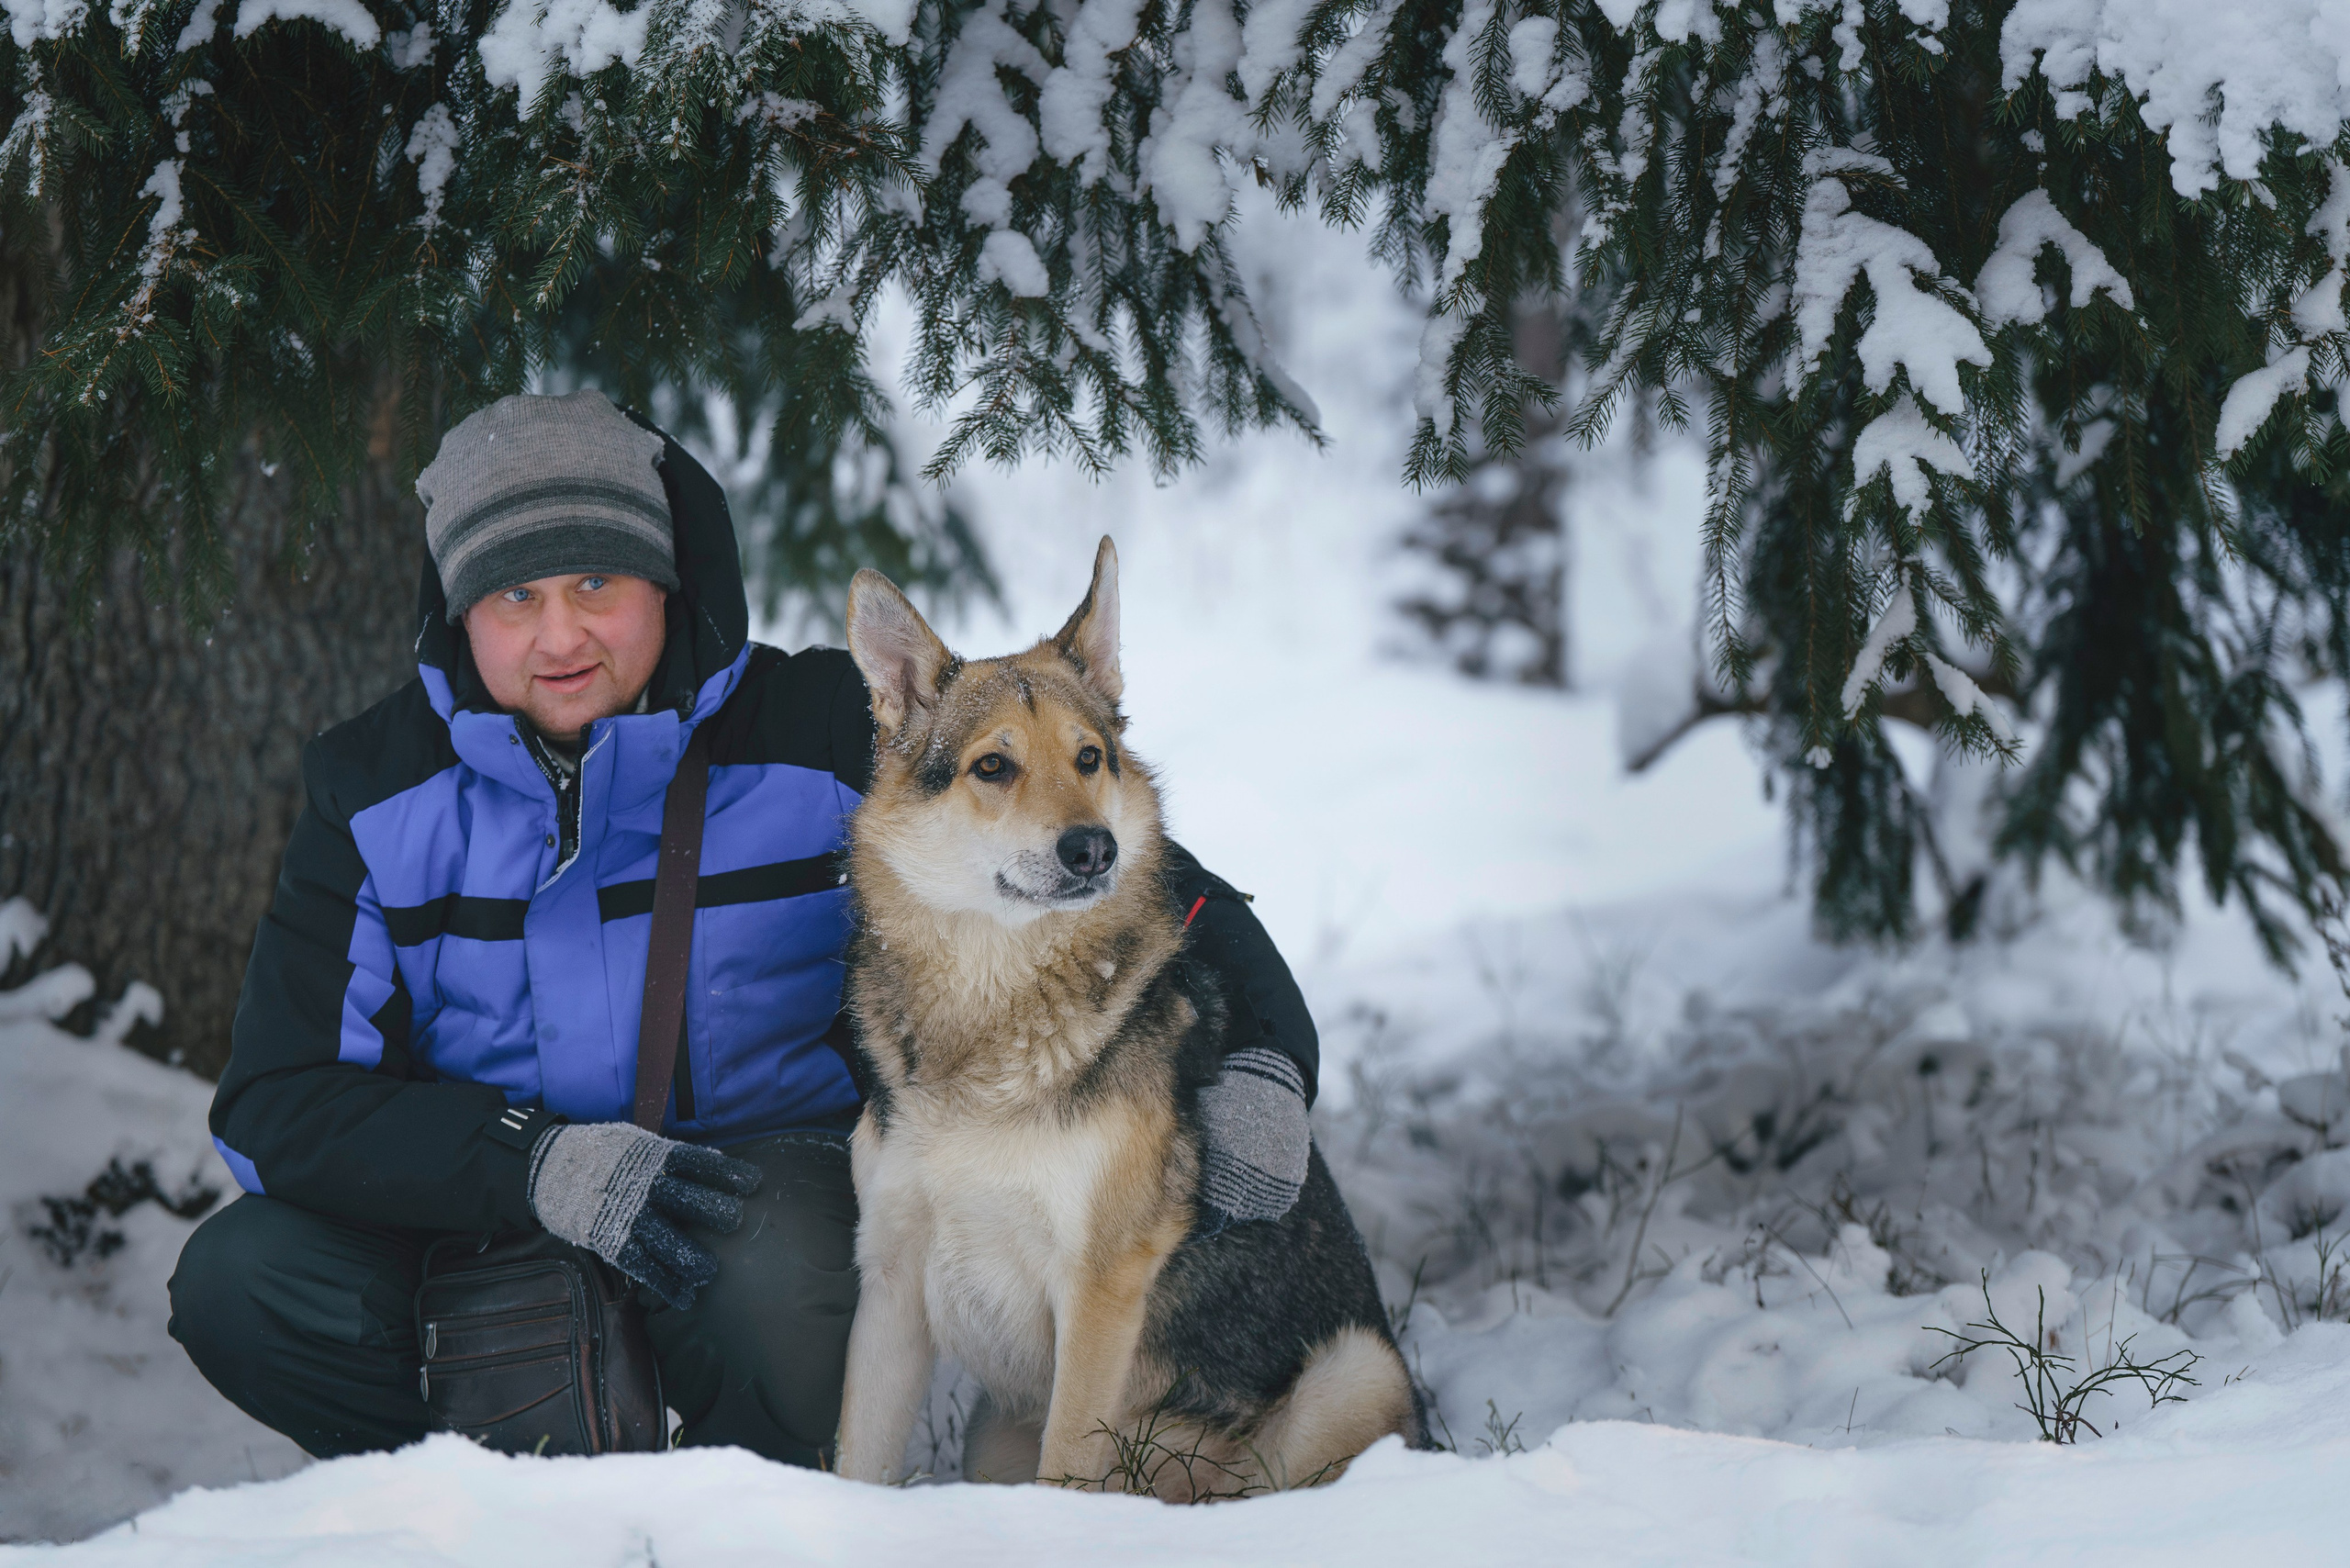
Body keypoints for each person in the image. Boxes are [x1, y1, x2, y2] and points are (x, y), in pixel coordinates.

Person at [166, 390, 1321, 1466]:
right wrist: (530, 1161)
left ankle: (765, 1502)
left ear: (668, 585)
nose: (560, 635)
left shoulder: (822, 729)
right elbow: (278, 1105)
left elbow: (1141, 879)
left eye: (596, 587)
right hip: (486, 1202)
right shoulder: (369, 795)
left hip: (755, 1196)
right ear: (462, 608)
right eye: (516, 596)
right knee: (242, 1281)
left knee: (781, 1287)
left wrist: (1267, 1058)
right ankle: (492, 1492)